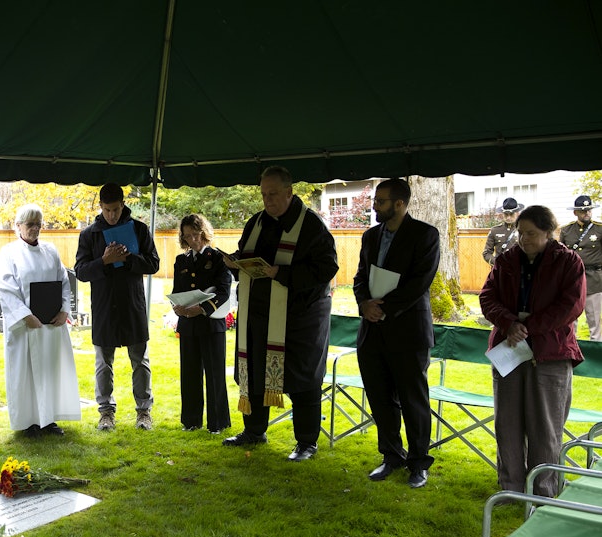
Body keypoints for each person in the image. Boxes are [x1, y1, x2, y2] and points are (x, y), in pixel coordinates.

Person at [221, 166, 339, 462]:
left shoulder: (311, 225)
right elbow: (247, 255)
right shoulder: (257, 222)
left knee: (302, 381)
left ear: (289, 192)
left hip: (300, 319)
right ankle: (254, 431)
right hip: (258, 316)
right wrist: (235, 262)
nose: (267, 200)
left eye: (273, 194)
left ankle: (306, 442)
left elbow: (326, 269)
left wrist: (280, 273)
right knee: (255, 374)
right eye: (263, 194)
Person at [480, 205, 585, 497]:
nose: (524, 239)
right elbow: (488, 297)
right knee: (508, 424)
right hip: (509, 350)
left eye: (532, 234)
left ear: (549, 233)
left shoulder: (568, 262)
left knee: (546, 427)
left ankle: (543, 491)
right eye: (521, 233)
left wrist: (531, 326)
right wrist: (509, 323)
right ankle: (511, 488)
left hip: (551, 354)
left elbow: (572, 305)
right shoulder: (506, 260)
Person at [353, 178, 439, 489]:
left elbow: (420, 282)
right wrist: (364, 304)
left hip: (407, 331)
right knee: (379, 397)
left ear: (399, 204)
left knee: (413, 399)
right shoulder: (371, 236)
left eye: (381, 202)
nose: (374, 206)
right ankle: (391, 455)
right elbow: (360, 275)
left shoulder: (425, 235)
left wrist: (385, 308)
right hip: (372, 331)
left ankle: (418, 462)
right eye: (375, 200)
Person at [74, 183, 160, 431]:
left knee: (140, 360)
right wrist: (104, 260)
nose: (112, 215)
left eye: (116, 209)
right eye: (107, 210)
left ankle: (144, 412)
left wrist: (129, 259)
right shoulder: (89, 235)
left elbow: (153, 264)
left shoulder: (140, 229)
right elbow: (80, 271)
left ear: (123, 205)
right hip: (104, 305)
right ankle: (106, 412)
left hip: (132, 304)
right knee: (103, 362)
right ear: (100, 207)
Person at [0, 204, 81, 436]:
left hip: (51, 324)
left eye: (38, 224)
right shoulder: (9, 253)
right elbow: (6, 288)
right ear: (18, 226)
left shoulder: (50, 250)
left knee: (50, 370)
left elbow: (63, 281)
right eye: (30, 224)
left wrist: (64, 310)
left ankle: (49, 418)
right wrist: (26, 316)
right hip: (25, 326)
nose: (35, 229)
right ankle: (29, 422)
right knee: (26, 373)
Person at [171, 214, 232, 433]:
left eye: (195, 235)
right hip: (188, 324)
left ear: (203, 233)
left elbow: (224, 291)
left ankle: (218, 423)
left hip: (211, 324)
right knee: (189, 373)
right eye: (187, 236)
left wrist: (202, 309)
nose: (192, 240)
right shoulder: (181, 261)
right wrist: (177, 307)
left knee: (214, 375)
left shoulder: (217, 258)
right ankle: (191, 421)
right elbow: (178, 291)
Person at [559, 195, 601, 341]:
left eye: (589, 210)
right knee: (571, 318)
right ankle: (570, 347)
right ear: (575, 212)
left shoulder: (599, 229)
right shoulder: (566, 231)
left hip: (594, 278)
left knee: (594, 319)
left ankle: (596, 352)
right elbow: (561, 256)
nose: (587, 213)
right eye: (583, 211)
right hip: (572, 279)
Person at [482, 197, 523, 265]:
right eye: (506, 214)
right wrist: (497, 263)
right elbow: (487, 253)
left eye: (511, 214)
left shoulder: (524, 230)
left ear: (517, 213)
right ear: (502, 214)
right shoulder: (495, 231)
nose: (508, 217)